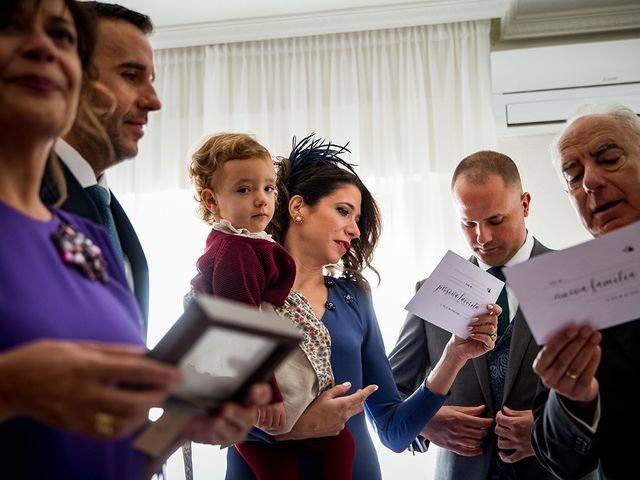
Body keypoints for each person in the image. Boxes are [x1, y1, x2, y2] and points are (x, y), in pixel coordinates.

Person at [0, 1, 268, 479]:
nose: (43, 48)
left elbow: (110, 451)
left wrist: (181, 426)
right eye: (11, 26)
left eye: (62, 36)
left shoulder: (85, 235)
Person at [225, 135, 500, 480]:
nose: (355, 230)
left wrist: (454, 357)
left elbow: (394, 431)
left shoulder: (355, 297)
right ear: (297, 208)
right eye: (343, 211)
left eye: (357, 219)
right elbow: (197, 410)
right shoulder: (237, 287)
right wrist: (297, 427)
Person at [389, 151, 572, 480]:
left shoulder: (574, 278)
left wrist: (551, 429)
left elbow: (616, 393)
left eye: (495, 220)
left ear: (526, 204)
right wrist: (427, 421)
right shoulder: (434, 289)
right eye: (468, 223)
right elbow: (390, 399)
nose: (482, 237)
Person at [188, 132, 355, 479]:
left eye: (268, 188)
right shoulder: (234, 250)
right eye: (244, 190)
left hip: (264, 386)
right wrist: (268, 395)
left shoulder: (251, 243)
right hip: (258, 386)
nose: (261, 200)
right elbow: (245, 329)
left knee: (328, 450)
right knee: (335, 449)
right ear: (211, 200)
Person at [531, 104, 640, 480]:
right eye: (574, 176)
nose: (590, 181)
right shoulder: (565, 295)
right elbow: (558, 459)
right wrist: (574, 400)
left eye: (608, 159)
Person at [40, 1, 159, 331]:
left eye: (151, 79)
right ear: (69, 76)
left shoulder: (104, 204)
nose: (154, 100)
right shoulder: (23, 195)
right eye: (131, 76)